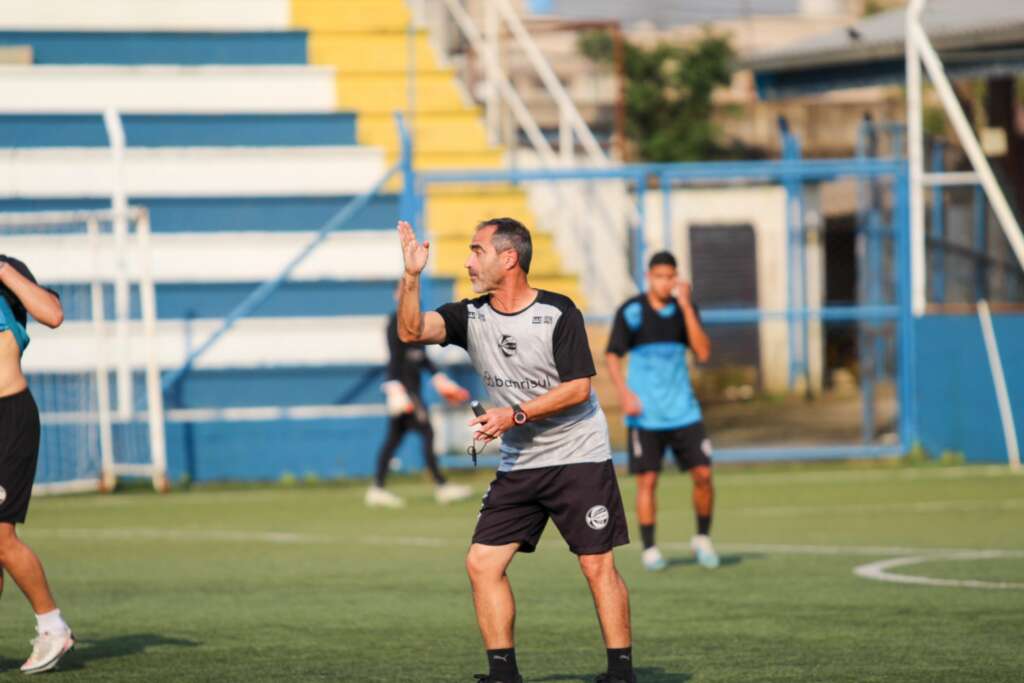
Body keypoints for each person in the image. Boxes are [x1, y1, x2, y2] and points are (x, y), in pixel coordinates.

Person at [396, 217, 636, 683]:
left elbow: (579, 390)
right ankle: (503, 674)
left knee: (596, 564)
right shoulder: (470, 316)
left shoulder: (559, 312)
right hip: (521, 462)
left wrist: (514, 415)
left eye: (477, 251)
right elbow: (411, 331)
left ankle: (621, 672)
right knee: (482, 563)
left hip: (578, 455)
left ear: (509, 258)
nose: (468, 262)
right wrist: (411, 275)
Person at [605, 251, 719, 572]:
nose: (666, 283)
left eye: (671, 277)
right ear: (649, 277)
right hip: (646, 415)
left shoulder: (686, 310)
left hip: (684, 411)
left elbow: (703, 352)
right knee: (648, 481)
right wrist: (624, 393)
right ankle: (650, 548)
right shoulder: (631, 312)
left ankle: (702, 538)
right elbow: (612, 356)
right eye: (660, 277)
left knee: (704, 475)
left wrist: (687, 307)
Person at [0, 254, 76, 674]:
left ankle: (53, 627)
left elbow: (52, 314)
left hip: (9, 417)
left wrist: (2, 270)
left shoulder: (7, 271)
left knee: (0, 537)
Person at [366, 285, 474, 508]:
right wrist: (395, 389)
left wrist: (440, 379)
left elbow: (421, 358)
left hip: (410, 388)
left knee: (394, 438)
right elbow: (395, 357)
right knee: (426, 432)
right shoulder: (395, 322)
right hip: (405, 390)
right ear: (396, 295)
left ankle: (378, 488)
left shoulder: (416, 322)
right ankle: (441, 486)